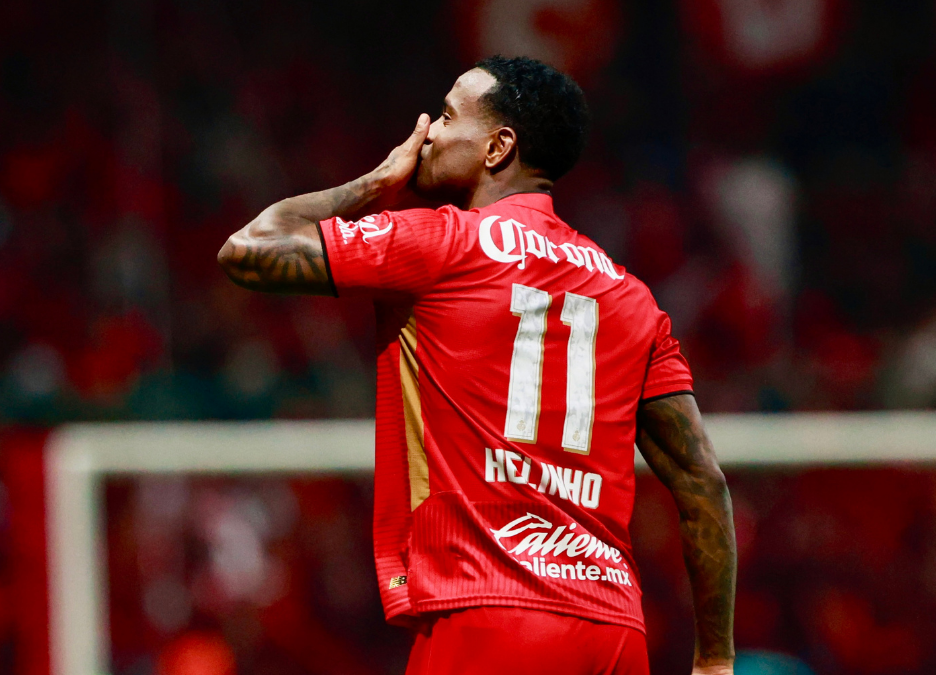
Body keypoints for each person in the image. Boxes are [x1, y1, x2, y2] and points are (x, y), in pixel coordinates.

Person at [218, 56, 736, 675]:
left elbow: (248, 249)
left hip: (488, 617)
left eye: (445, 116)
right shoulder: (632, 298)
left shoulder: (442, 242)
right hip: (614, 633)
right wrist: (715, 659)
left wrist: (375, 183)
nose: (427, 133)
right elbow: (702, 479)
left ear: (497, 147)